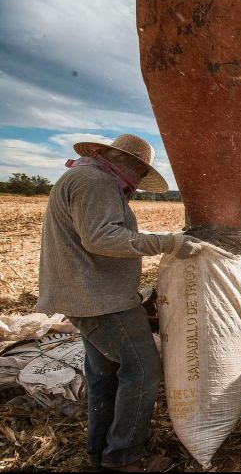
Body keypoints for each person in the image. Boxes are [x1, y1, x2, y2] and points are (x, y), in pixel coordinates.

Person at [36, 134, 203, 472]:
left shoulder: (86, 177)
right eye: (140, 172)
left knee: (104, 375)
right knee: (143, 370)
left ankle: (99, 453)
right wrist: (169, 243)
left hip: (87, 296)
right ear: (116, 157)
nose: (140, 180)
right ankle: (125, 458)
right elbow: (101, 238)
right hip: (100, 300)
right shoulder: (95, 181)